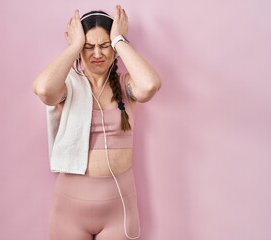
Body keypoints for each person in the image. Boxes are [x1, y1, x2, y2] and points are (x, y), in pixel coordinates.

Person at [33, 5, 161, 240]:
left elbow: (150, 84)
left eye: (104, 46)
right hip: (69, 211)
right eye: (88, 47)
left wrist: (119, 39)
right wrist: (74, 46)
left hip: (119, 210)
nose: (97, 54)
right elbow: (43, 89)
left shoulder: (126, 86)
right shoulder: (68, 87)